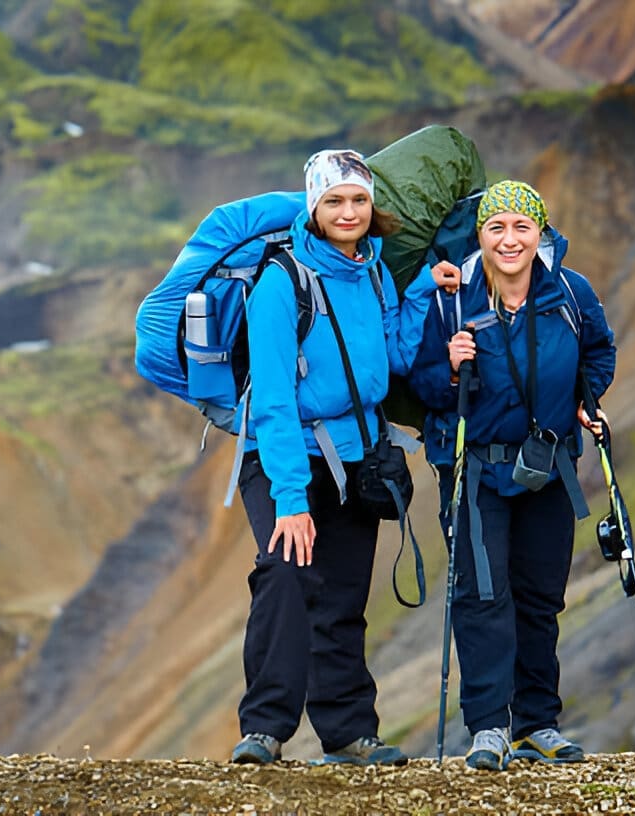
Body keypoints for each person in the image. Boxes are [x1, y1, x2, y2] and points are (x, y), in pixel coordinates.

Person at [230, 149, 437, 766]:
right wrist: (290, 499)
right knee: (287, 576)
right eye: (334, 201)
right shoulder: (281, 282)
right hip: (281, 456)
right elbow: (270, 399)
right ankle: (264, 728)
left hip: (357, 458)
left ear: (372, 206)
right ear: (313, 207)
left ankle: (348, 733)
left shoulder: (373, 271)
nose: (348, 211)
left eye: (358, 200)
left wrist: (426, 287)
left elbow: (393, 358)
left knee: (344, 596)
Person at [406, 180, 617, 771]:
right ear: (481, 236)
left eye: (522, 227)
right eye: (497, 227)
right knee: (481, 596)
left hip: (550, 469)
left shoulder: (571, 295)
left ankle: (537, 724)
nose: (509, 239)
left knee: (540, 598)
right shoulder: (452, 302)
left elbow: (600, 352)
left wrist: (586, 397)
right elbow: (421, 387)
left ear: (541, 234)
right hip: (475, 473)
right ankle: (488, 728)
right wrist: (448, 369)